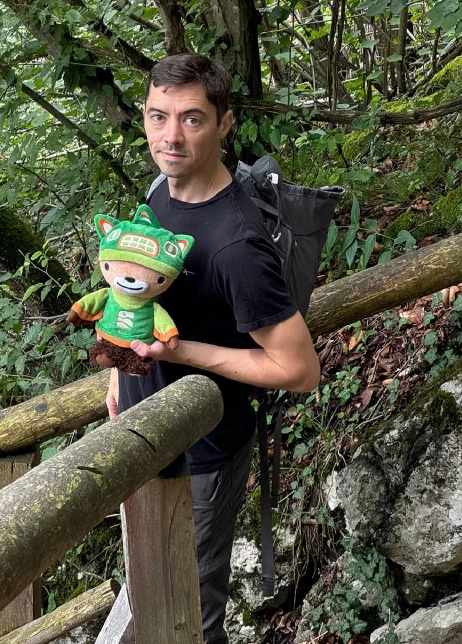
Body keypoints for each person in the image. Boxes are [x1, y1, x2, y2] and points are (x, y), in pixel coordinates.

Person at [108, 53, 321, 644]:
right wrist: (119, 380)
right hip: (146, 433)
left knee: (190, 615)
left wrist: (180, 355)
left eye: (192, 119)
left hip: (203, 452)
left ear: (225, 124)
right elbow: (140, 296)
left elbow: (299, 369)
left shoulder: (236, 244)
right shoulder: (160, 193)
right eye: (157, 117)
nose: (169, 136)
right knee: (153, 594)